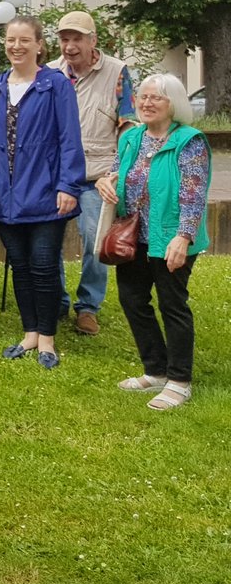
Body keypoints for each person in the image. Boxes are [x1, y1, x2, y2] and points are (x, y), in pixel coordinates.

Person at [97, 74, 210, 410]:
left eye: (155, 98)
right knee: (132, 300)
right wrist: (105, 181)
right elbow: (118, 172)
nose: (146, 103)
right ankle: (156, 371)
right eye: (143, 97)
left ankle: (179, 380)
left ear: (173, 104)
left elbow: (194, 194)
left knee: (172, 305)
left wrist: (183, 236)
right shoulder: (131, 138)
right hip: (134, 238)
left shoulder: (189, 141)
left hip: (171, 238)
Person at [0, 15, 86, 369]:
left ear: (39, 45)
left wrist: (68, 185)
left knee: (44, 266)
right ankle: (29, 333)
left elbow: (69, 139)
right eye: (11, 40)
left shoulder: (56, 85)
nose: (16, 46)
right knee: (21, 267)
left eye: (24, 40)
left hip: (46, 193)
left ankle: (47, 338)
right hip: (5, 195)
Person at [49, 9, 136, 336]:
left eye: (77, 39)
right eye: (64, 39)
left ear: (93, 40)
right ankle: (55, 301)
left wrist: (115, 174)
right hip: (56, 176)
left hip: (96, 176)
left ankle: (88, 307)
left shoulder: (116, 72)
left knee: (95, 243)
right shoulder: (49, 73)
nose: (70, 46)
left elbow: (127, 127)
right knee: (48, 242)